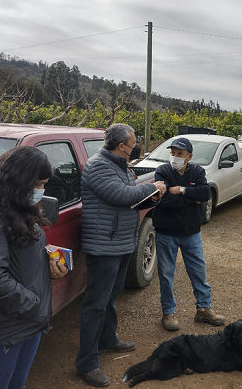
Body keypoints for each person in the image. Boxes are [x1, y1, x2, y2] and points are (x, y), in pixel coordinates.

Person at [0, 146, 69, 389]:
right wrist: (34, 304)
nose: (41, 191)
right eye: (38, 184)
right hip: (0, 332)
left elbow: (16, 255)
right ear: (20, 181)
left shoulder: (16, 207)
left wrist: (47, 263)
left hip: (25, 323)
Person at [75, 124, 166, 387]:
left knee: (111, 297)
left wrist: (153, 196)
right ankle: (87, 362)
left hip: (121, 242)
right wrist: (152, 186)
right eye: (133, 142)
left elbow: (133, 200)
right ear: (121, 145)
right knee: (95, 303)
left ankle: (108, 339)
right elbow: (121, 194)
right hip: (104, 246)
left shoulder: (121, 166)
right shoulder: (98, 165)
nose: (136, 145)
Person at [152, 137, 225, 331]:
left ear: (189, 156)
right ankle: (168, 313)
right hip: (166, 232)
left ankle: (203, 309)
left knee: (198, 271)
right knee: (166, 274)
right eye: (173, 153)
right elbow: (164, 200)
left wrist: (182, 190)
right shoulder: (162, 171)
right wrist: (191, 197)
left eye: (180, 154)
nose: (175, 157)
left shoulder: (197, 171)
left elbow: (205, 194)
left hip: (191, 232)